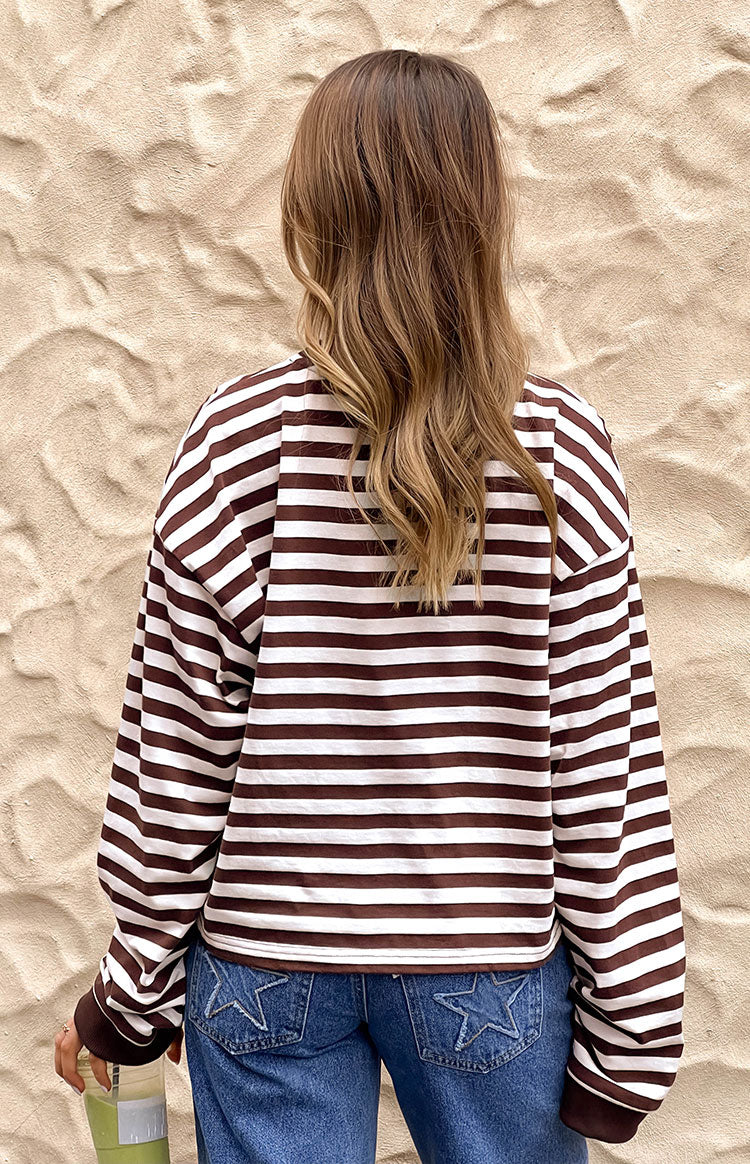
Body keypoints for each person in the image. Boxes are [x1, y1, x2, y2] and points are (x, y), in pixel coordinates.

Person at [53, 47, 686, 1164]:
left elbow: (176, 762)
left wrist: (128, 993)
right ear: (484, 211)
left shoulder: (235, 441)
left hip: (264, 963)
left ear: (313, 211)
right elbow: (605, 764)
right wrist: (635, 1027)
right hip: (488, 972)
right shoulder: (559, 449)